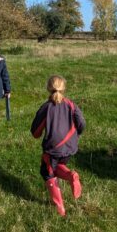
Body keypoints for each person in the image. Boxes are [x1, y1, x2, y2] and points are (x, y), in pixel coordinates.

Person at [31, 75, 86, 217]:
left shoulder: (46, 107)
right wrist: (76, 135)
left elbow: (35, 132)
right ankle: (71, 175)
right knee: (57, 166)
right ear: (64, 88)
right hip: (69, 148)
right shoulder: (71, 105)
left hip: (53, 148)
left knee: (47, 172)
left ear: (48, 88)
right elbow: (82, 123)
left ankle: (59, 207)